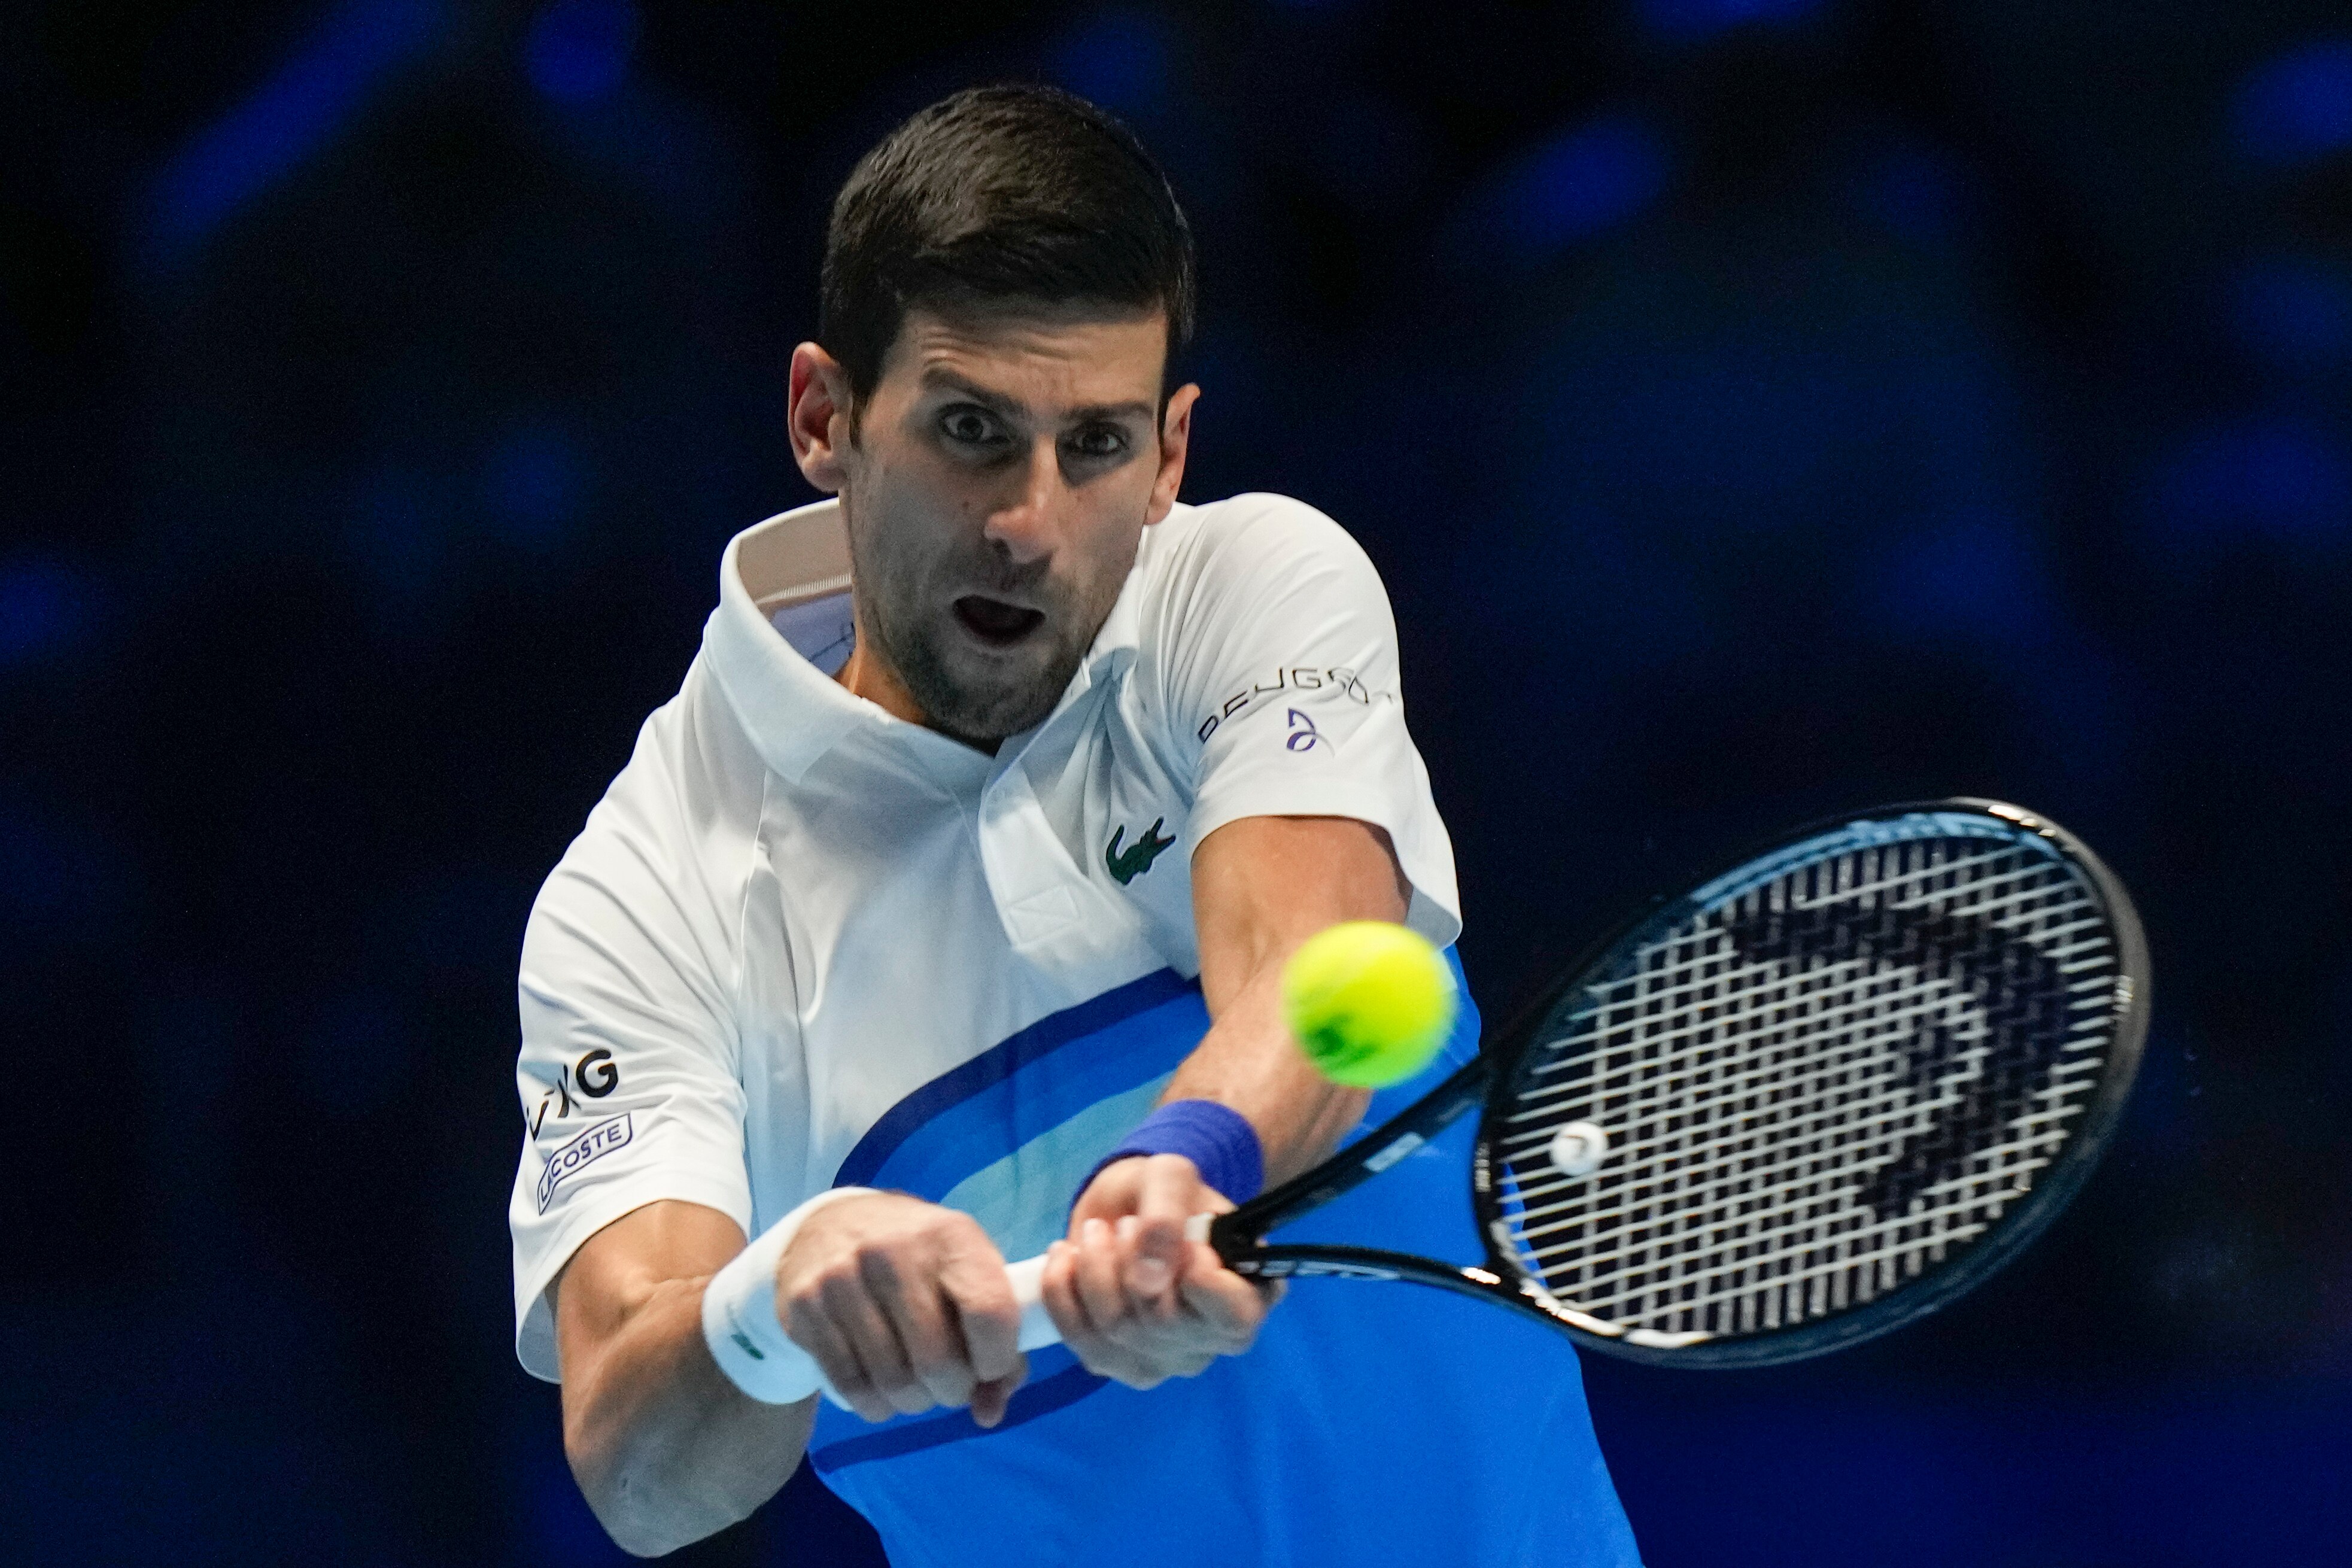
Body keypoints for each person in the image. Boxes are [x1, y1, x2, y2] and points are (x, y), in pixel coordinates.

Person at [506, 84, 1640, 1566]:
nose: (1029, 519)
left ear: (1171, 452)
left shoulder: (1250, 583)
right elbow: (639, 1473)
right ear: (823, 418)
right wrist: (772, 1303)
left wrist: (1191, 1160)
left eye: (1094, 444)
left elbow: (1314, 949)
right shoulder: (648, 893)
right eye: (971, 429)